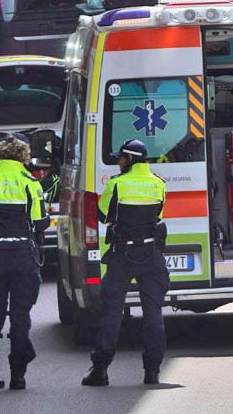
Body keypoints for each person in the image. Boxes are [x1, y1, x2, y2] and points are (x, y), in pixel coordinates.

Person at [82, 138, 170, 388]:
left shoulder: (117, 185)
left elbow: (102, 216)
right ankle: (152, 371)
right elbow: (159, 215)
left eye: (120, 158)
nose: (118, 162)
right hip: (152, 254)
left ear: (129, 159)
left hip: (123, 255)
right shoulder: (158, 184)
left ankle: (100, 371)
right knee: (154, 314)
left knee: (111, 312)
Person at [0, 135, 49, 391]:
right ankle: (18, 376)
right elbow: (41, 223)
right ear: (24, 157)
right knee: (20, 316)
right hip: (22, 254)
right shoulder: (31, 183)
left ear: (0, 156)